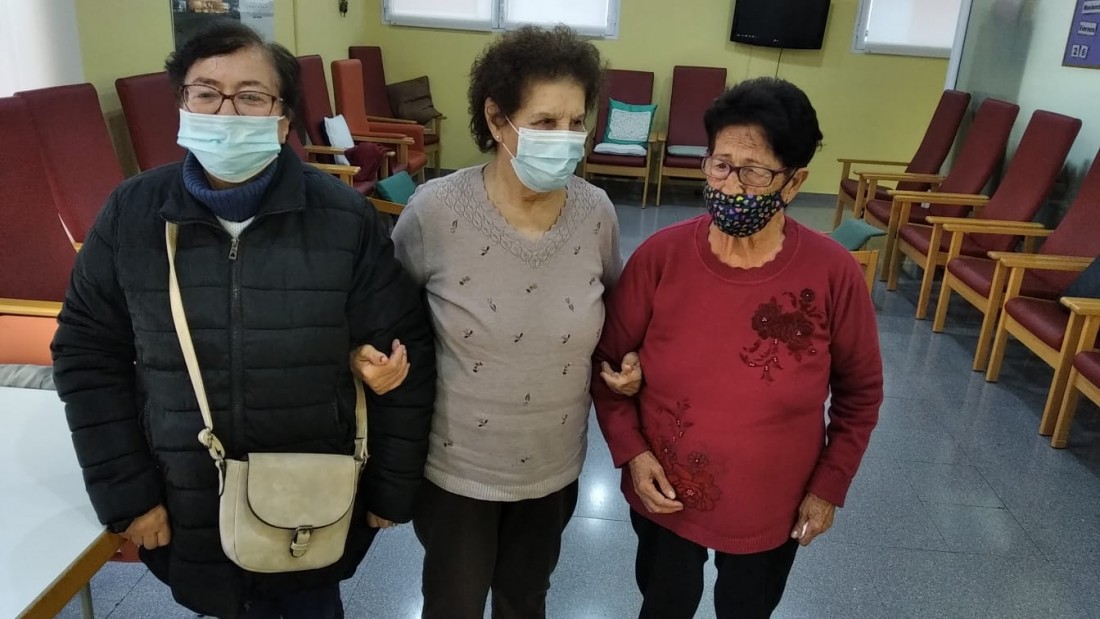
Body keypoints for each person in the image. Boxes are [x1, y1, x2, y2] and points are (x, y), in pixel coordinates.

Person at [50, 22, 435, 619]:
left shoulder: (343, 218)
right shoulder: (132, 214)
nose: (226, 111)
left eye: (251, 96)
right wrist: (128, 494)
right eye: (206, 93)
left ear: (283, 121)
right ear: (182, 108)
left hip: (314, 498)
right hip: (187, 503)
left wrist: (391, 485)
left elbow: (404, 351)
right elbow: (86, 354)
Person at [591, 77, 883, 619]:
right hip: (665, 487)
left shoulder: (834, 273)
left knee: (747, 608)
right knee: (664, 603)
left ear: (794, 183)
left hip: (773, 500)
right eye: (720, 165)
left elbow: (861, 394)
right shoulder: (661, 258)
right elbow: (607, 366)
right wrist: (632, 453)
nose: (730, 186)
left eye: (754, 172)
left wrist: (828, 487)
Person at [384, 24, 635, 619]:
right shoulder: (435, 212)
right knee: (454, 603)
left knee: (526, 599)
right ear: (497, 120)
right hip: (458, 468)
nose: (565, 139)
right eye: (545, 122)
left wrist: (630, 361)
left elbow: (617, 314)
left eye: (576, 123)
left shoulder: (596, 212)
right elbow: (389, 317)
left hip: (554, 463)